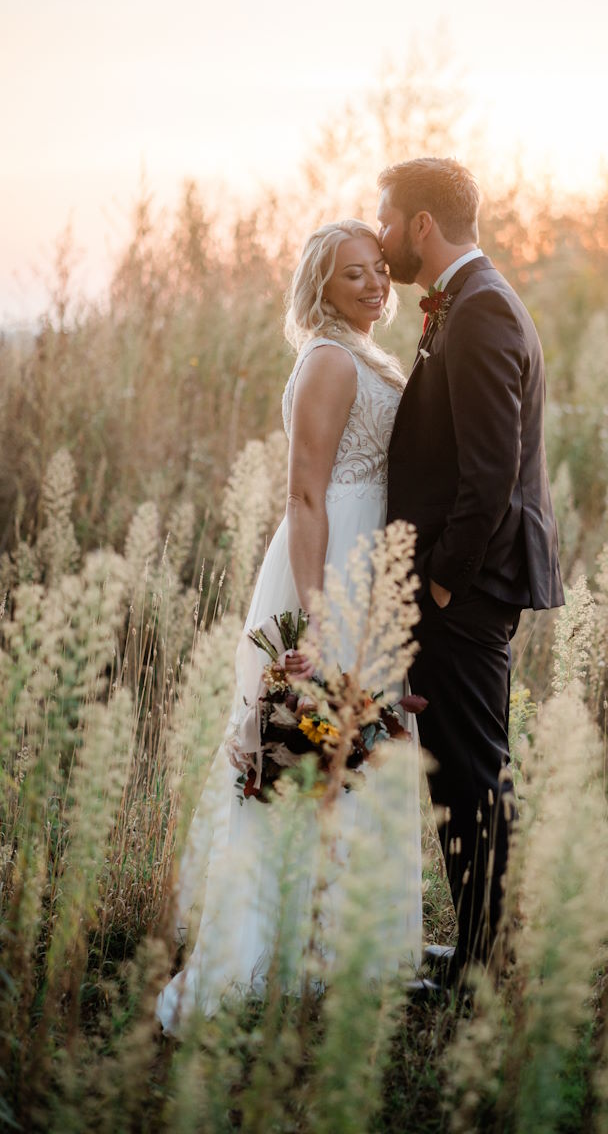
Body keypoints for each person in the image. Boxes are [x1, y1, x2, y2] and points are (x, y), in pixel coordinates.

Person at [156, 220, 423, 1035]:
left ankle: (343, 945)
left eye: (380, 271)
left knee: (353, 753)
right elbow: (305, 496)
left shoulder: (362, 352)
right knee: (304, 749)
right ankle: (264, 951)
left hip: (364, 566)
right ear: (320, 286)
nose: (377, 285)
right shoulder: (331, 360)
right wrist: (319, 611)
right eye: (354, 276)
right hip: (329, 571)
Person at [377, 158, 564, 981]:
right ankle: (484, 950)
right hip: (468, 581)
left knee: (474, 772)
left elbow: (489, 474)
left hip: (469, 585)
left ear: (421, 223)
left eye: (387, 218)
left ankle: (488, 965)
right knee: (463, 767)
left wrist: (443, 581)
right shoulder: (469, 301)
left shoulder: (481, 309)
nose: (381, 235)